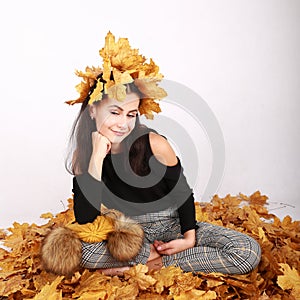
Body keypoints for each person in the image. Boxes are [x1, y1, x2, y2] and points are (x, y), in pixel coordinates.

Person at [65, 32, 261, 276]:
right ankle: (143, 261)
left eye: (131, 114)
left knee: (246, 252)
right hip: (125, 233)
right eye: (114, 112)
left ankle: (139, 268)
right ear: (93, 111)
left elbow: (182, 193)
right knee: (83, 251)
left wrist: (189, 238)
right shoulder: (83, 156)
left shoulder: (154, 143)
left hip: (171, 224)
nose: (123, 124)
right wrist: (96, 158)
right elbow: (86, 220)